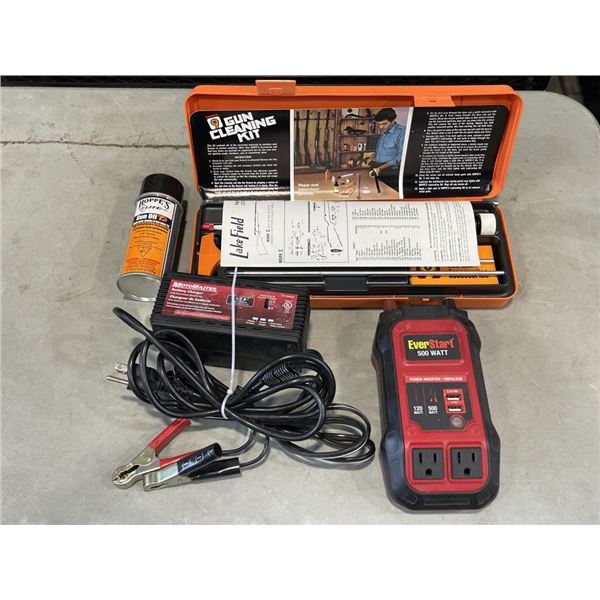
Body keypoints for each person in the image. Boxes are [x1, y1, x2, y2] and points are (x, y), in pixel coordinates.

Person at [369, 108, 405, 192]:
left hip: (390, 171)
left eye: (384, 124)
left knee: (389, 194)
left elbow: (400, 157)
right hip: (376, 167)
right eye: (379, 124)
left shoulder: (402, 132)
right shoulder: (384, 129)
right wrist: (372, 156)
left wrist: (380, 168)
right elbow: (381, 149)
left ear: (393, 120)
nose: (381, 127)